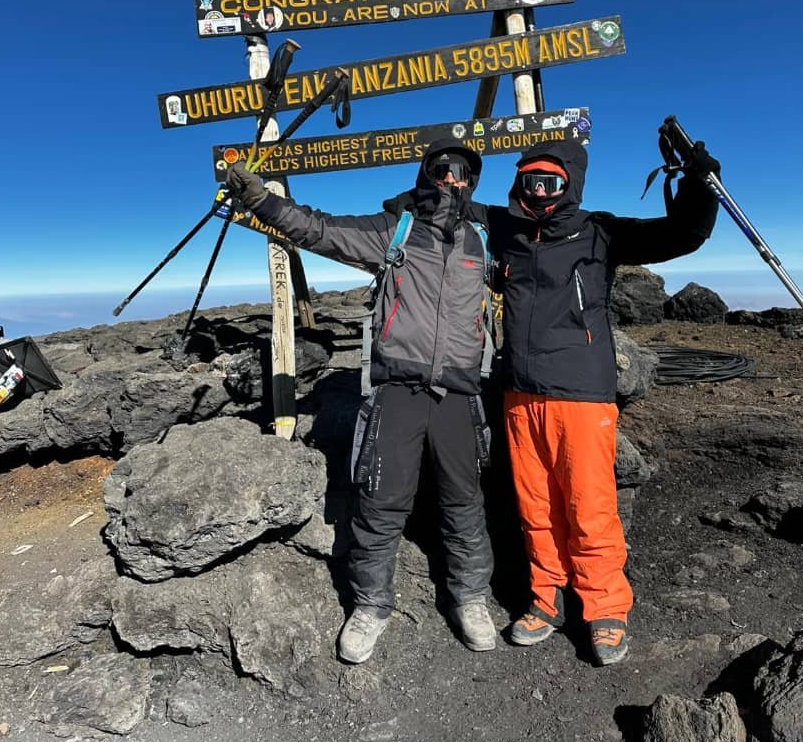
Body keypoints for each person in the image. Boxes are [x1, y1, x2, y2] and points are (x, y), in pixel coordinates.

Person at [226, 139, 496, 664]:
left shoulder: (484, 238)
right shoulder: (393, 230)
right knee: (380, 500)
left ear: (472, 182)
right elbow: (320, 230)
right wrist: (261, 201)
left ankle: (471, 597)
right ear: (426, 173)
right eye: (441, 167)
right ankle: (371, 605)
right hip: (396, 388)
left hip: (461, 392)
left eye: (462, 171)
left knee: (465, 502)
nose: (451, 177)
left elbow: (553, 241)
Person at [471, 136, 719, 665]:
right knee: (535, 505)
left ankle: (605, 608)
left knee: (589, 505)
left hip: (581, 394)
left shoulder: (600, 231)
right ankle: (545, 597)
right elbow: (450, 204)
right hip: (518, 392)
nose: (538, 192)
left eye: (550, 182)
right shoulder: (504, 228)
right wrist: (422, 195)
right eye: (529, 182)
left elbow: (684, 233)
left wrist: (698, 184)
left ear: (571, 185)